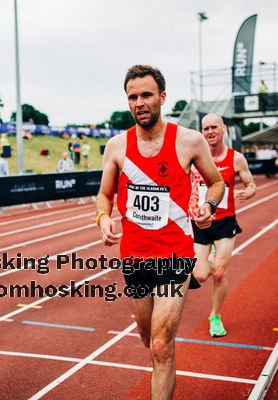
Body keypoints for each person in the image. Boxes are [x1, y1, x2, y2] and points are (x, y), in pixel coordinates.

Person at [96, 65, 224, 400]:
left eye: (146, 95)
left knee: (161, 344)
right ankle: (162, 364)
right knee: (148, 339)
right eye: (132, 97)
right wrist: (103, 218)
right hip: (135, 258)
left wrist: (208, 207)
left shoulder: (189, 141)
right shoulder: (116, 147)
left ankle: (163, 364)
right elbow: (104, 195)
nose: (139, 102)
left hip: (174, 257)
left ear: (162, 97)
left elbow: (217, 182)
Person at [189, 113, 256, 337]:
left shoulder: (236, 159)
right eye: (206, 128)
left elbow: (251, 184)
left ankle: (215, 316)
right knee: (199, 276)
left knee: (218, 273)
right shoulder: (195, 157)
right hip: (200, 221)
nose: (210, 132)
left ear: (224, 129)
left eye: (214, 127)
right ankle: (211, 256)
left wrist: (247, 193)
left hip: (226, 221)